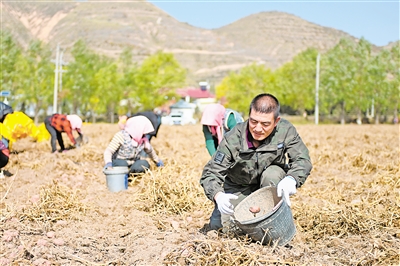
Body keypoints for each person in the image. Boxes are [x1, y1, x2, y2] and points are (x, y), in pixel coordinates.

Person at [200, 93, 312, 231]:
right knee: (221, 228)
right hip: (239, 186)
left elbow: (303, 159)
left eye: (265, 124)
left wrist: (291, 179)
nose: (258, 129)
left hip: (270, 184)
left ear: (276, 121)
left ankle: (274, 217)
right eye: (253, 122)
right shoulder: (233, 137)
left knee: (272, 174)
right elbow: (211, 172)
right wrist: (218, 195)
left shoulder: (285, 130)